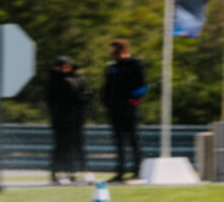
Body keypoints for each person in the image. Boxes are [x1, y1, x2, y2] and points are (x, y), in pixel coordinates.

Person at [101, 38, 148, 182]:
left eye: (114, 52)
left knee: (133, 140)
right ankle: (120, 172)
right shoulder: (113, 67)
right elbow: (107, 88)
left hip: (129, 108)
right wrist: (106, 103)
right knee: (119, 142)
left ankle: (137, 171)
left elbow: (143, 87)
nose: (112, 55)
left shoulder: (135, 64)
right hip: (115, 109)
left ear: (122, 51)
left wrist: (133, 102)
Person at [46, 56, 91, 185]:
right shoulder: (55, 81)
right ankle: (58, 173)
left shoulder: (78, 79)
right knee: (61, 147)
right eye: (64, 66)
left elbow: (85, 96)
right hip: (61, 120)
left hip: (76, 120)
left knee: (78, 147)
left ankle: (76, 173)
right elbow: (56, 100)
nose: (67, 69)